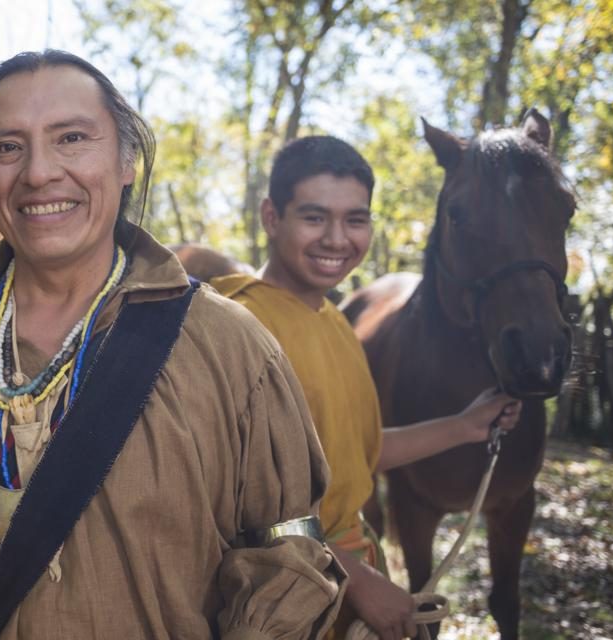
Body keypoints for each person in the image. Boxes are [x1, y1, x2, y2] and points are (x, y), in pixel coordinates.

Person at [0, 51, 346, 639]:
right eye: (8, 147)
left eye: (72, 138)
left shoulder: (232, 347)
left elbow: (289, 560)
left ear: (127, 158)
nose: (39, 173)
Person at [209, 136, 521, 640]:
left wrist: (465, 426)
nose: (337, 239)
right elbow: (219, 497)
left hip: (352, 582)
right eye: (314, 217)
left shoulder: (336, 321)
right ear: (271, 217)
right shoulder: (232, 323)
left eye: (355, 219)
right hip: (277, 595)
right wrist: (354, 578)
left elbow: (358, 453)